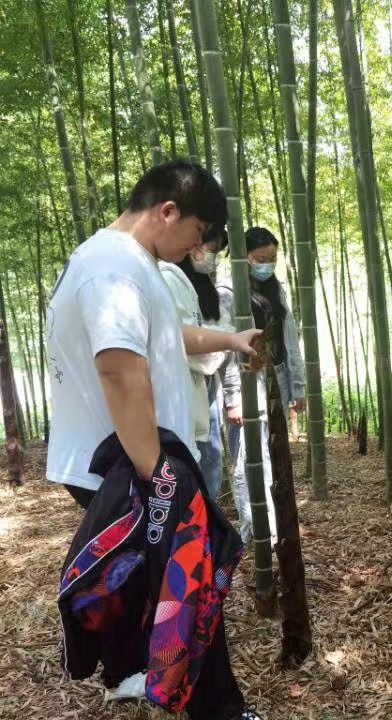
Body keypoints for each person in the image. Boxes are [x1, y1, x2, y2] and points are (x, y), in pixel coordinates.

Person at [46, 160, 265, 720]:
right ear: (168, 211)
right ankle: (220, 709)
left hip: (136, 459)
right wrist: (158, 476)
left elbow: (171, 334)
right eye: (197, 234)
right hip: (130, 463)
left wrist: (233, 339)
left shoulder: (124, 262)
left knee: (148, 581)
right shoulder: (112, 269)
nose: (197, 249)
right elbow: (119, 369)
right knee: (189, 585)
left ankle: (129, 674)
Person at [219, 227, 305, 545]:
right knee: (247, 460)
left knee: (274, 450)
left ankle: (273, 522)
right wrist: (233, 397)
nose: (267, 265)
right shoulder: (227, 292)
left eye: (272, 259)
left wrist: (297, 387)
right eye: (260, 259)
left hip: (275, 377)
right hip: (246, 380)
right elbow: (227, 350)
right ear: (243, 258)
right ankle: (255, 528)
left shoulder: (276, 288)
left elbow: (289, 337)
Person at [160, 231, 232, 499]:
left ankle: (207, 529)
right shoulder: (168, 278)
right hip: (184, 386)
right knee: (197, 464)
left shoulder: (203, 285)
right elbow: (189, 344)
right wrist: (226, 341)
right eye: (211, 248)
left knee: (211, 459)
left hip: (206, 386)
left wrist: (222, 341)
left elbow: (215, 331)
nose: (212, 257)